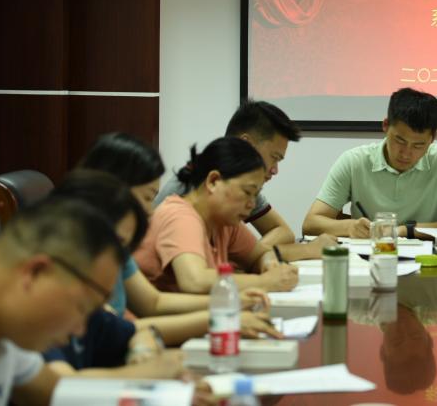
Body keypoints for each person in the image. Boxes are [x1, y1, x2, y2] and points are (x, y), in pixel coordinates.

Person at [49, 167, 280, 356]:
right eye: (147, 197)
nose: (151, 211)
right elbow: (58, 380)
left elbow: (147, 309)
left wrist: (230, 305)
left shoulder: (112, 252)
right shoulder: (59, 298)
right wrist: (225, 313)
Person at [0, 196, 124, 405]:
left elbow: (53, 393)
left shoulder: (0, 314)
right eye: (82, 308)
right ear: (35, 272)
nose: (79, 330)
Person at [154, 101, 332, 258]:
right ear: (212, 182)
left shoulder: (234, 197)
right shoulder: (188, 196)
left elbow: (281, 233)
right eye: (274, 157)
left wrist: (253, 257)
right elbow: (196, 278)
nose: (275, 170)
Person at [303, 88, 437, 239]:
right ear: (385, 125)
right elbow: (310, 223)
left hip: (427, 262)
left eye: (418, 145)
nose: (406, 153)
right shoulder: (354, 161)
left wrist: (404, 230)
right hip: (367, 258)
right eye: (399, 140)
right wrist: (350, 226)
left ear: (433, 138)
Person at [136, 137, 299, 294]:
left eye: (255, 195)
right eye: (247, 192)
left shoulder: (224, 220)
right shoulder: (179, 216)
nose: (252, 204)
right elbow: (195, 280)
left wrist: (270, 265)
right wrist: (265, 281)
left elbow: (260, 254)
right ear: (213, 181)